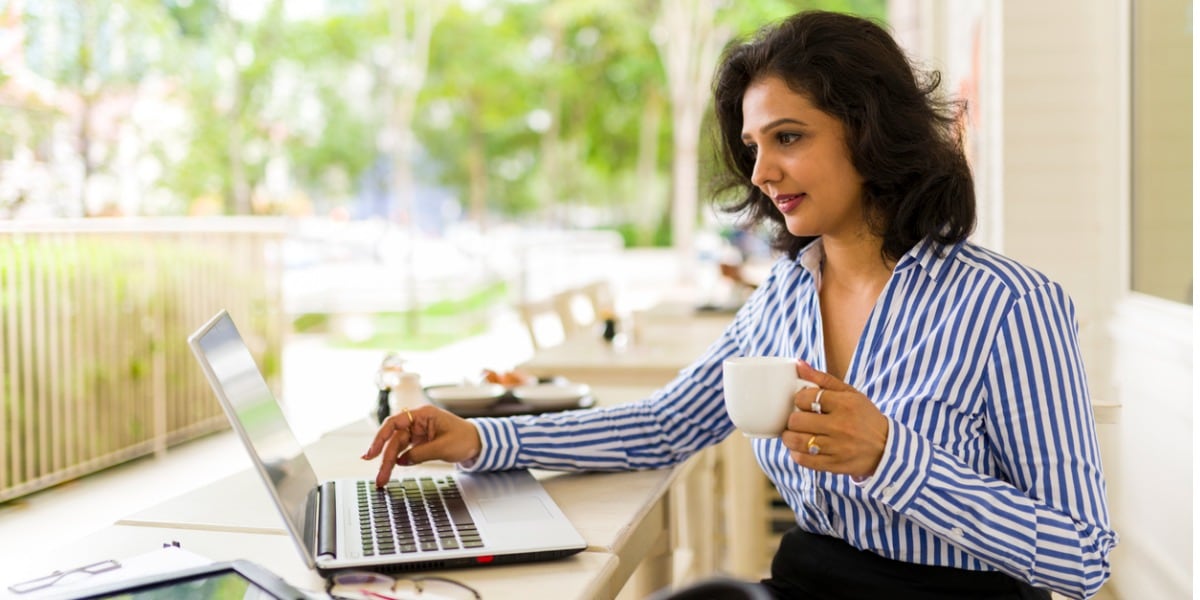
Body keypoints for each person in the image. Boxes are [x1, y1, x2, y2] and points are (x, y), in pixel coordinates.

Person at [361, 10, 1116, 599]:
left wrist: (892, 457)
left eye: (788, 137)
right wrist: (478, 443)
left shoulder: (1009, 306)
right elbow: (663, 426)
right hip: (804, 583)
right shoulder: (783, 298)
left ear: (871, 131)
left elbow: (1081, 556)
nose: (762, 172)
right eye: (753, 146)